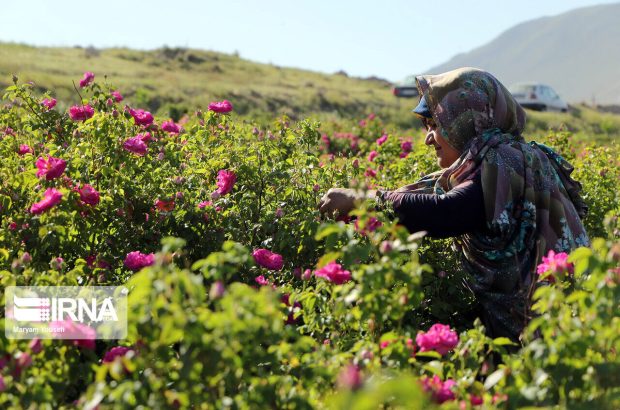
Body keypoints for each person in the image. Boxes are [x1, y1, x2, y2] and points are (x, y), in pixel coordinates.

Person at [318, 67, 589, 343]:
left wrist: (362, 201)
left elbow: (449, 212)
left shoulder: (506, 160)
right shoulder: (493, 160)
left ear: (467, 119)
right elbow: (434, 197)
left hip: (557, 333)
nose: (428, 139)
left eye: (436, 125)